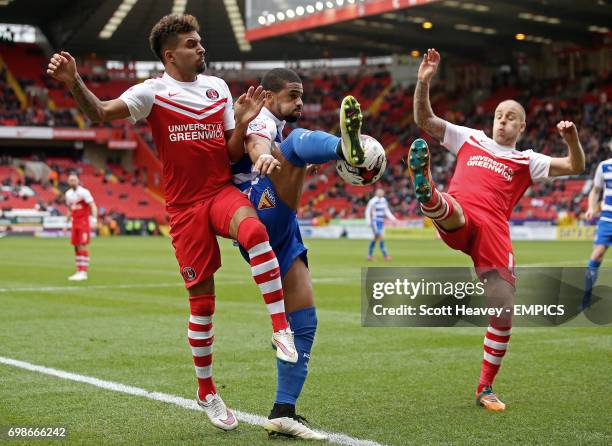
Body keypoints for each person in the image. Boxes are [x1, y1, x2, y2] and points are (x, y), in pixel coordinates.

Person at [46, 14, 299, 431]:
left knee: (254, 231)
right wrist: (75, 81)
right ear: (170, 55)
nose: (201, 48)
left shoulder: (217, 88)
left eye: (200, 42)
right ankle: (207, 391)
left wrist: (242, 114)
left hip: (219, 191)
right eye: (191, 44)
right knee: (202, 305)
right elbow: (100, 113)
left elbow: (231, 149)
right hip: (184, 209)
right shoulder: (152, 92)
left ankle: (280, 328)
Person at [410, 48, 585, 411]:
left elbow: (574, 166)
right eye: (498, 116)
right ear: (492, 120)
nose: (502, 121)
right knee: (454, 212)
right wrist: (423, 82)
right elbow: (424, 120)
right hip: (464, 212)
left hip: (495, 231)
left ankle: (485, 388)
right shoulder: (469, 138)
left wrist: (572, 140)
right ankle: (429, 194)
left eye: (510, 118)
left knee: (503, 309)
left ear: (521, 127)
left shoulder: (527, 160)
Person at [234, 68, 365, 439]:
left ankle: (283, 410)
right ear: (270, 96)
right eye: (293, 95)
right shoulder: (261, 117)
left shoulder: (274, 122)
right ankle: (345, 147)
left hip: (284, 227)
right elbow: (256, 143)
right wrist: (265, 156)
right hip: (255, 209)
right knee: (291, 147)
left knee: (304, 320)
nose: (300, 102)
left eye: (301, 95)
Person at [582, 157, 612, 309]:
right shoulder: (604, 166)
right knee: (597, 255)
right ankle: (586, 299)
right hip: (607, 219)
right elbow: (595, 190)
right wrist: (591, 208)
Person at [65, 173, 97, 281]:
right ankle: (78, 270)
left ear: (78, 180)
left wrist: (94, 219)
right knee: (75, 246)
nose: (72, 181)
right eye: (70, 180)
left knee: (82, 245)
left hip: (83, 222)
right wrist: (66, 221)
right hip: (75, 222)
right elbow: (70, 208)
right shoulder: (68, 194)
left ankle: (83, 271)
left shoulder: (84, 192)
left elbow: (93, 205)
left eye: (74, 179)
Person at [365, 188, 397, 261]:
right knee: (380, 238)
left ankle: (369, 256)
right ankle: (385, 256)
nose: (380, 193)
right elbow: (367, 211)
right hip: (375, 222)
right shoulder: (372, 201)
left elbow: (386, 211)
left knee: (375, 239)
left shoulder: (384, 201)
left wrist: (393, 219)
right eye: (379, 192)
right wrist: (368, 221)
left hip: (381, 222)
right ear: (376, 193)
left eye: (381, 192)